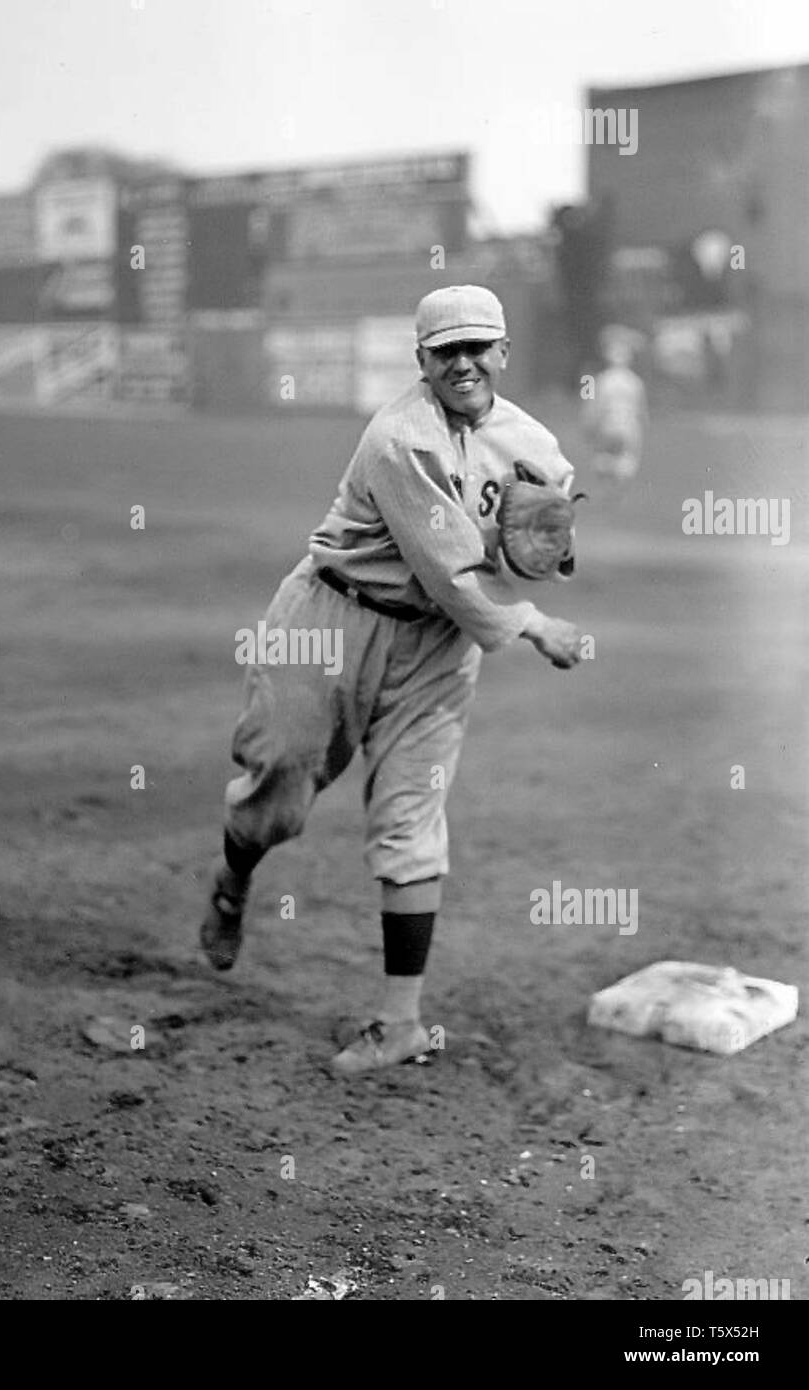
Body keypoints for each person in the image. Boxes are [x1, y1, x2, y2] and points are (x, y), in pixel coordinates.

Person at [200, 285, 587, 1074]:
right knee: (275, 791)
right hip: (330, 623)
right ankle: (233, 879)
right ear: (421, 360)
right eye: (446, 350)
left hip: (439, 652)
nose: (463, 362)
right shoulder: (398, 439)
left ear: (503, 353)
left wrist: (547, 554)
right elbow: (447, 569)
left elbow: (539, 549)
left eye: (478, 346)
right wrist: (533, 625)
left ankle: (400, 1022)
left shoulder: (535, 446)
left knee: (412, 823)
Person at [584, 326, 648, 483]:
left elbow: (593, 407)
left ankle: (605, 477)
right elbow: (642, 411)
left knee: (603, 459)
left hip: (607, 425)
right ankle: (618, 484)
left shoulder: (601, 380)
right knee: (626, 461)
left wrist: (588, 425)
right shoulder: (636, 382)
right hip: (629, 427)